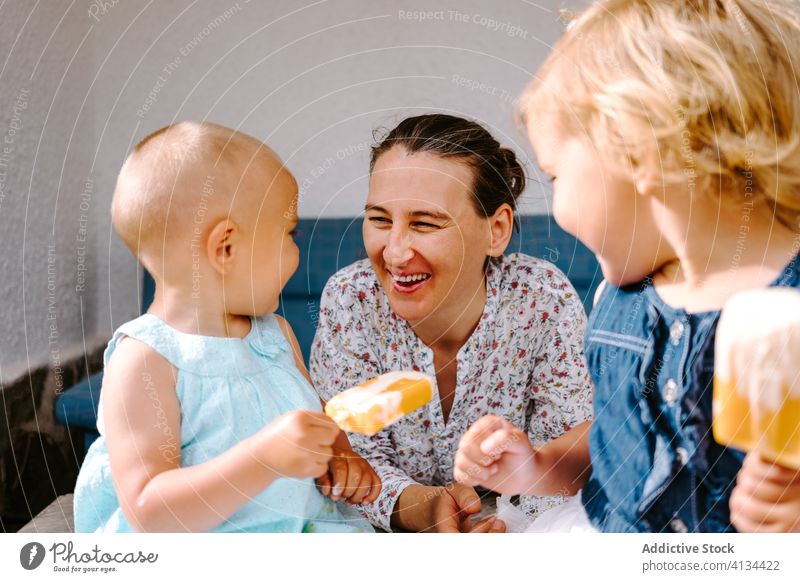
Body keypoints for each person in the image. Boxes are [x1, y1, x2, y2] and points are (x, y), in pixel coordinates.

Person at [455, 0, 800, 532]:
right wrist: (537, 466)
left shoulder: (790, 310)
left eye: (556, 175)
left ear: (638, 153)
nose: (555, 203)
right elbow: (615, 452)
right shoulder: (621, 302)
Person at [73, 121, 378, 533]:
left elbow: (312, 421)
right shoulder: (145, 360)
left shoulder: (274, 336)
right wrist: (263, 458)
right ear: (226, 248)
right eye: (289, 233)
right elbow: (150, 510)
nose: (295, 251)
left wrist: (340, 457)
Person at [310, 114, 593, 532]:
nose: (395, 253)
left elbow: (567, 449)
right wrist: (427, 509)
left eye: (424, 223)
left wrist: (504, 529)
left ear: (496, 230)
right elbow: (353, 458)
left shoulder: (541, 299)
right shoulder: (351, 298)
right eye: (380, 220)